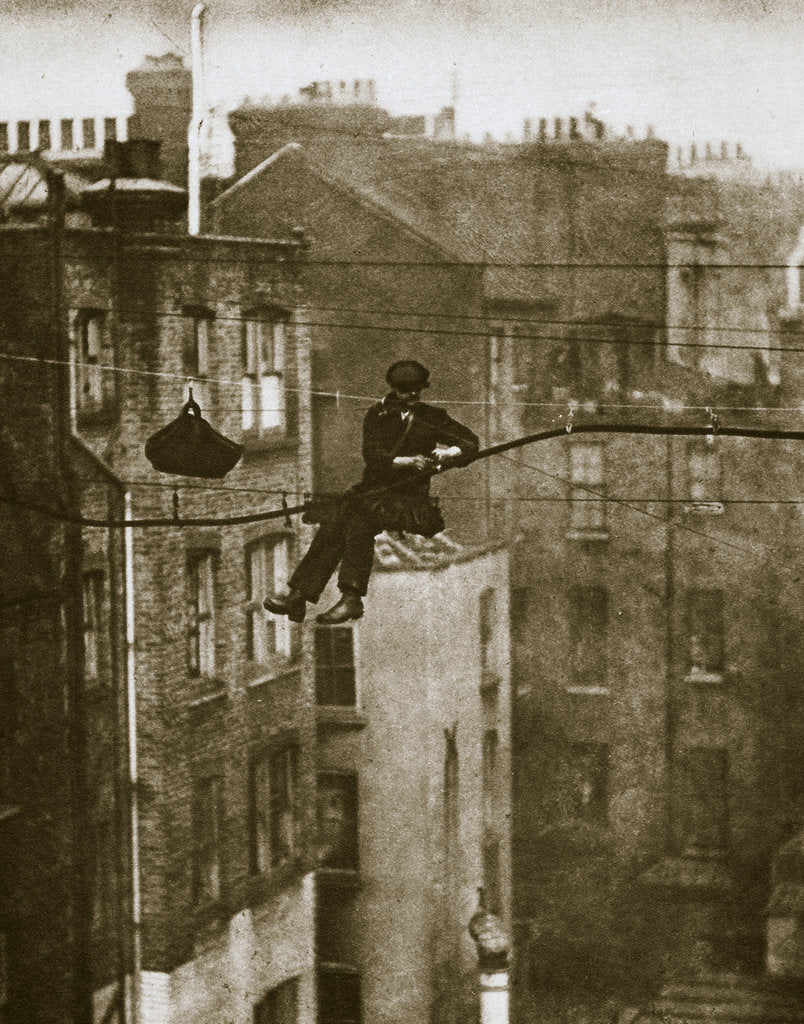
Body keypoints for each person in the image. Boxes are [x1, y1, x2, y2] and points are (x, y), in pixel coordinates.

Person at [264, 360, 480, 625]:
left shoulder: (432, 417)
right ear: (394, 390)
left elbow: (470, 442)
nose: (412, 396)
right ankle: (299, 594)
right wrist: (408, 461)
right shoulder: (377, 415)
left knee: (360, 520)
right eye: (405, 391)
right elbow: (373, 456)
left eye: (416, 391)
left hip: (408, 499)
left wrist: (448, 453)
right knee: (336, 520)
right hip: (373, 492)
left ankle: (351, 598)